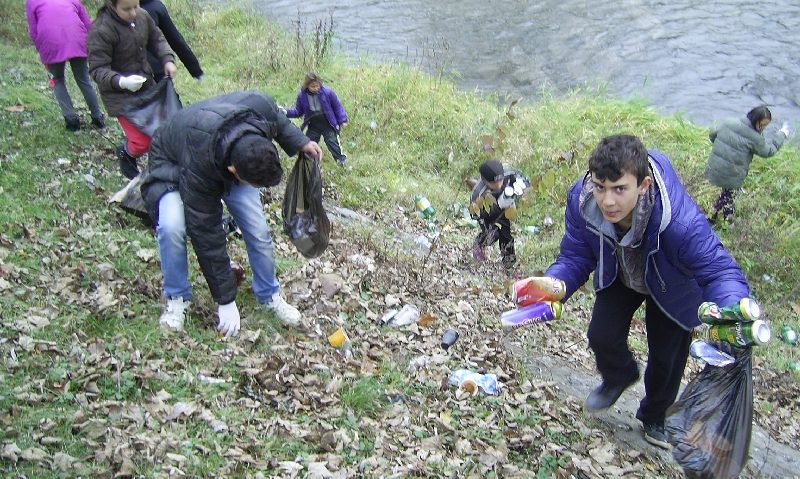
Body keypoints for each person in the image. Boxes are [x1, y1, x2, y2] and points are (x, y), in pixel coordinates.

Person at [539, 134, 750, 449]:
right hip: (621, 271)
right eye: (600, 187)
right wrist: (554, 284)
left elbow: (719, 270)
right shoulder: (581, 201)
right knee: (601, 335)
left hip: (673, 283)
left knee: (667, 359)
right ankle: (619, 376)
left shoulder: (681, 223)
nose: (608, 201)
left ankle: (654, 416)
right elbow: (575, 255)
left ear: (644, 184)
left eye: (620, 189)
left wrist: (733, 309)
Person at [140, 90, 323, 337]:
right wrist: (225, 301)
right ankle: (177, 298)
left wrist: (300, 141)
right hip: (175, 162)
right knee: (173, 226)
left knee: (258, 230)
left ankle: (269, 295)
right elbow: (207, 234)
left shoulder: (260, 109)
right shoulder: (199, 168)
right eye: (252, 183)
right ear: (233, 170)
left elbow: (278, 121)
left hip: (220, 141)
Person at [88, 0, 177, 180]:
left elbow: (157, 40)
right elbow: (97, 70)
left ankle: (159, 170)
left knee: (160, 132)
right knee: (141, 141)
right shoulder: (101, 30)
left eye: (135, 6)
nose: (133, 12)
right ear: (112, 5)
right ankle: (126, 152)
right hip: (120, 95)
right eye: (127, 9)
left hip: (146, 87)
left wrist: (167, 59)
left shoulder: (143, 16)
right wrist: (121, 81)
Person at [25, 0, 105, 131]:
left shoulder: (32, 2)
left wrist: (43, 52)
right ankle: (98, 118)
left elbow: (33, 31)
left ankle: (72, 121)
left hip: (50, 42)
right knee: (83, 79)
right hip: (78, 37)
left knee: (57, 81)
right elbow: (88, 24)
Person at [704, 106, 789, 223]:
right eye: (763, 125)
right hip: (732, 173)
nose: (764, 128)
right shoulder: (755, 138)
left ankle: (724, 218)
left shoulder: (729, 122)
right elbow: (769, 151)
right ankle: (713, 216)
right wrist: (782, 134)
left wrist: (722, 147)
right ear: (755, 120)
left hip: (714, 167)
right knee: (730, 194)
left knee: (729, 193)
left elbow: (713, 134)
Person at [469, 159, 530, 268]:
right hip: (487, 211)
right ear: (485, 180)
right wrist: (498, 205)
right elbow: (475, 214)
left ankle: (509, 264)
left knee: (506, 235)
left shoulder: (509, 172)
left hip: (505, 202)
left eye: (500, 180)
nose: (498, 184)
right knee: (493, 234)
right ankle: (479, 244)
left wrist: (520, 187)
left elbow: (525, 179)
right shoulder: (478, 192)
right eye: (493, 183)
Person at [285, 72, 349, 166]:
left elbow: (337, 106)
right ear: (307, 86)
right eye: (312, 86)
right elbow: (298, 112)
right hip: (313, 125)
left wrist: (342, 120)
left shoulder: (328, 93)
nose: (316, 88)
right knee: (309, 144)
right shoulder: (302, 96)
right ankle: (308, 164)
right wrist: (285, 112)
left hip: (328, 124)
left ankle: (341, 161)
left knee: (333, 143)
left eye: (317, 86)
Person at [140, 0, 204, 83]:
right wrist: (196, 70)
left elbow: (174, 39)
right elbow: (175, 39)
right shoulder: (156, 6)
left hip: (156, 71)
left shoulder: (154, 6)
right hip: (152, 70)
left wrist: (195, 69)